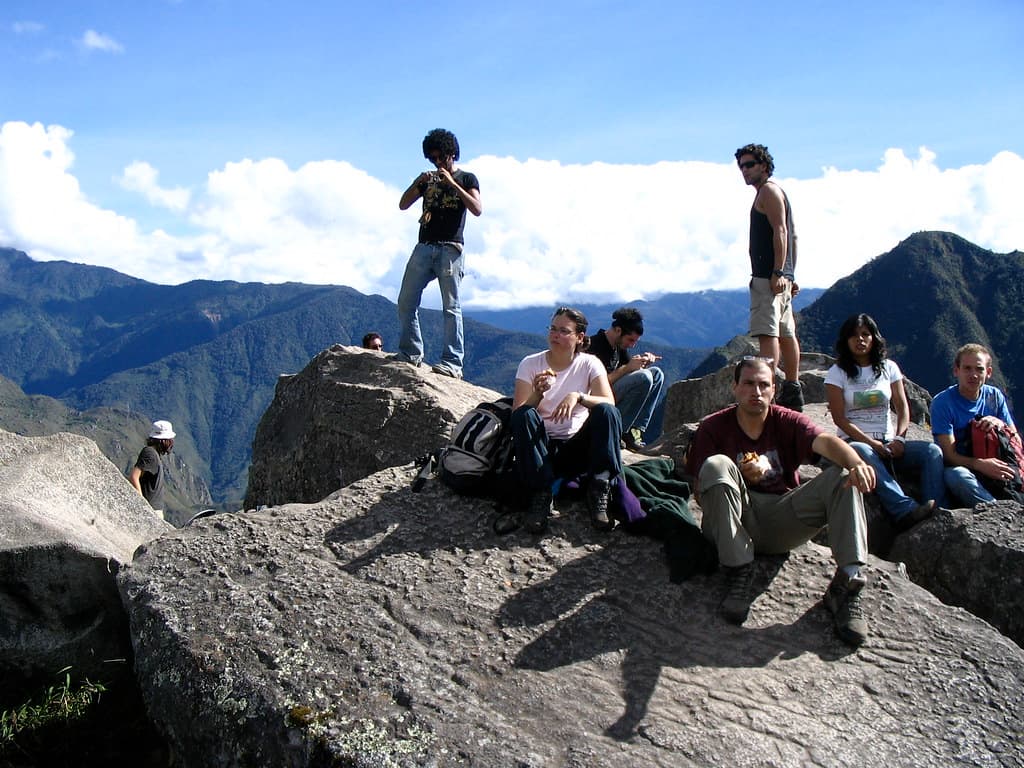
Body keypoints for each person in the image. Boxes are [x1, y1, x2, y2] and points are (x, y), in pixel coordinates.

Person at [685, 357, 877, 646]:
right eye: (748, 383)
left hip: (781, 519)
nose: (756, 391)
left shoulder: (787, 421)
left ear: (774, 390)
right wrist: (738, 478)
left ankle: (847, 585)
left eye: (764, 385)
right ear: (735, 387)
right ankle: (738, 570)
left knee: (842, 476)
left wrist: (856, 463)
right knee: (716, 465)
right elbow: (701, 493)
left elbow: (825, 442)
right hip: (734, 521)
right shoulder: (713, 427)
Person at [825, 314, 946, 530]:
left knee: (932, 452)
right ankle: (904, 510)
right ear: (845, 340)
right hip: (856, 443)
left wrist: (899, 439)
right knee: (861, 450)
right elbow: (840, 419)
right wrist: (872, 444)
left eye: (865, 334)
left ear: (874, 338)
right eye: (854, 335)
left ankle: (935, 510)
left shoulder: (888, 367)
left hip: (888, 443)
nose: (860, 340)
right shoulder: (837, 373)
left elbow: (902, 407)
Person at [510, 307, 623, 534]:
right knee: (525, 415)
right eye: (553, 329)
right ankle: (541, 494)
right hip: (541, 448)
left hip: (576, 445)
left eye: (563, 331)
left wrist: (578, 397)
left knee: (607, 412)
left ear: (579, 337)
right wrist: (537, 394)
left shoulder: (589, 363)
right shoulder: (530, 364)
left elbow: (609, 401)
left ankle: (599, 487)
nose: (555, 335)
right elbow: (517, 414)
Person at [397, 128, 482, 380]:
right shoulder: (428, 181)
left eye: (440, 157)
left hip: (450, 248)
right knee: (406, 301)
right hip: (425, 245)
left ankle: (452, 362)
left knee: (451, 306)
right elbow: (403, 204)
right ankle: (410, 353)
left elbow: (477, 208)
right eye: (432, 158)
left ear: (451, 154)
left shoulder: (467, 178)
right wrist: (418, 182)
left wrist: (452, 184)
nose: (437, 162)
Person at [735, 143, 803, 411]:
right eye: (741, 166)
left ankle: (768, 390)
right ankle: (793, 389)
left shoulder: (768, 192)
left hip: (768, 277)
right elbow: (792, 235)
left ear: (764, 166)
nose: (744, 170)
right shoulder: (776, 192)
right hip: (779, 277)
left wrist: (778, 272)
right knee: (786, 333)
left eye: (749, 164)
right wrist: (789, 273)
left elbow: (781, 232)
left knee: (768, 334)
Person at [930, 343, 1018, 507]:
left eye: (979, 369)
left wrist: (1000, 423)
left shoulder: (994, 396)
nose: (973, 375)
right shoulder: (942, 403)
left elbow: (1015, 439)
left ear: (988, 372)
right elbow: (949, 456)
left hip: (997, 462)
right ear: (956, 370)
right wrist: (980, 465)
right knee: (956, 477)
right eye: (967, 368)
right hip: (964, 466)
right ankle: (1000, 510)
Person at [588, 307, 665, 450]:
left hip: (613, 395)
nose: (632, 345)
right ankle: (617, 432)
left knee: (656, 374)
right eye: (630, 340)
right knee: (644, 377)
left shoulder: (619, 347)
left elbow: (633, 376)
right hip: (597, 402)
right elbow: (592, 388)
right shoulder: (594, 346)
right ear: (618, 330)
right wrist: (627, 368)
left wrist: (642, 363)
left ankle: (635, 430)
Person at [129, 420, 175, 514]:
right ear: (164, 440)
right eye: (170, 439)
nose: (171, 443)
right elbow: (134, 476)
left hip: (153, 508)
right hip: (151, 509)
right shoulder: (150, 454)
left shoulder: (154, 454)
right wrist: (142, 504)